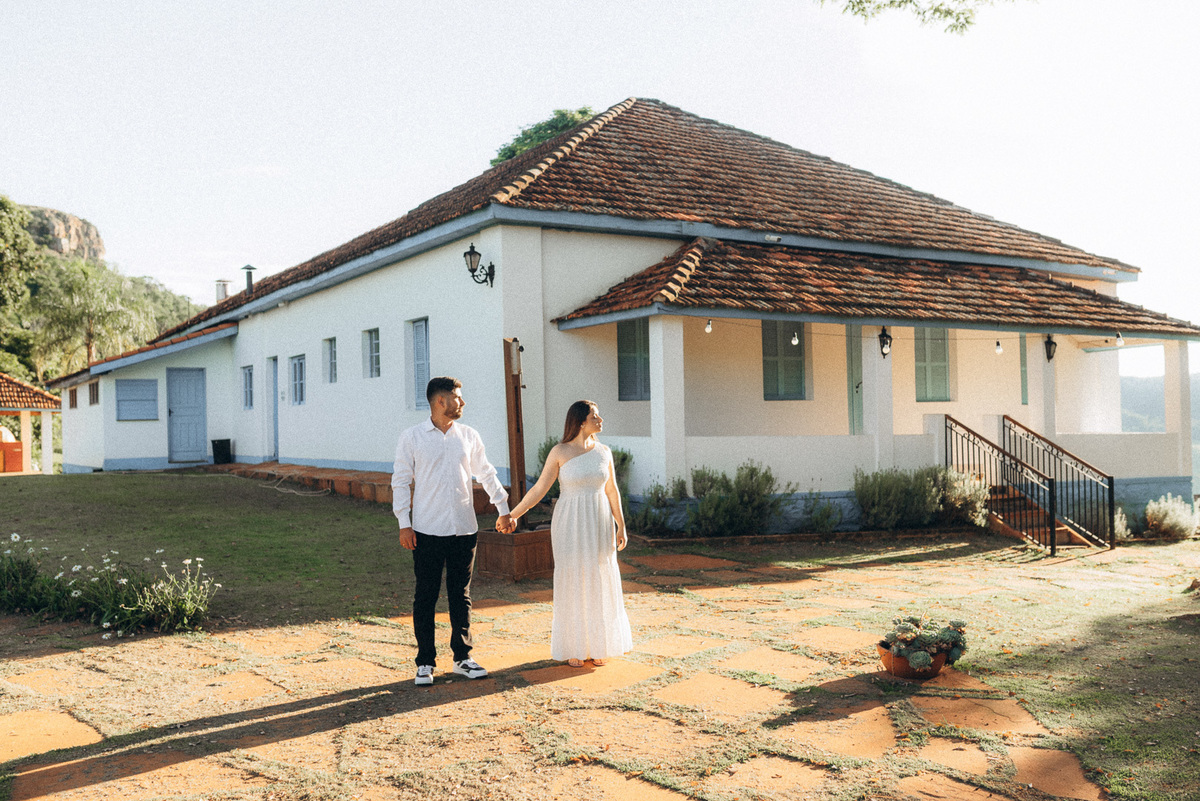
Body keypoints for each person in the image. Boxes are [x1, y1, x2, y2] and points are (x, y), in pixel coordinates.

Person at [392, 376, 513, 686]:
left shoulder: (469, 436)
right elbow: (401, 480)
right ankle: (425, 663)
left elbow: (486, 473)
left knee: (461, 595)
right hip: (426, 530)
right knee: (426, 596)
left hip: (463, 529)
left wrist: (503, 508)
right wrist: (404, 524)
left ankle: (463, 658)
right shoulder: (413, 437)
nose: (463, 403)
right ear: (440, 402)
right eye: (457, 398)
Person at [507, 400, 632, 667]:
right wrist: (513, 514)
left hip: (599, 521)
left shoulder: (604, 452)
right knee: (574, 577)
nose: (600, 420)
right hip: (570, 522)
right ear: (580, 421)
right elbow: (539, 489)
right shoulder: (560, 452)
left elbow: (612, 491)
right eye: (595, 416)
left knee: (599, 575)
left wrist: (621, 525)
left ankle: (599, 645)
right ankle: (574, 646)